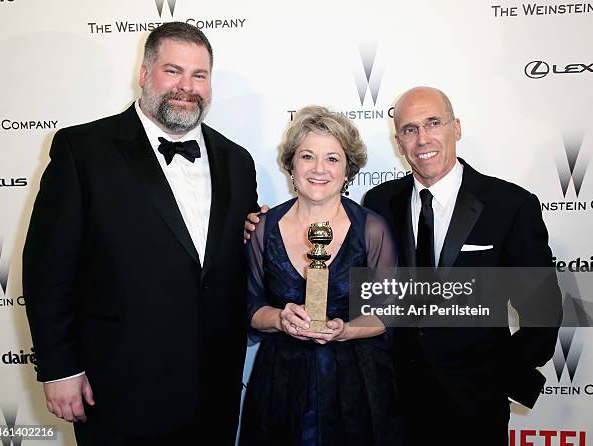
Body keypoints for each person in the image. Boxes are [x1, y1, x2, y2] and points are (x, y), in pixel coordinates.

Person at [23, 22, 258, 445]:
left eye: (199, 75)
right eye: (173, 71)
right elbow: (48, 268)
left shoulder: (238, 161)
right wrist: (60, 368)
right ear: (145, 73)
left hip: (214, 389)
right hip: (118, 389)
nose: (186, 86)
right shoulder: (83, 150)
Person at [363, 86, 561, 445]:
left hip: (474, 407)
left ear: (456, 128)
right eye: (410, 129)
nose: (422, 138)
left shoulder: (509, 205)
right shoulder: (379, 202)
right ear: (398, 141)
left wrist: (498, 376)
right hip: (393, 403)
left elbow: (543, 312)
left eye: (433, 123)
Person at [240, 106, 403, 445]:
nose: (318, 169)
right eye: (307, 156)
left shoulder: (371, 229)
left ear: (348, 170)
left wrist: (346, 331)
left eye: (332, 158)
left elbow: (389, 312)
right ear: (291, 165)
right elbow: (251, 306)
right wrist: (280, 318)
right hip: (280, 385)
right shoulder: (262, 228)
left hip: (357, 386)